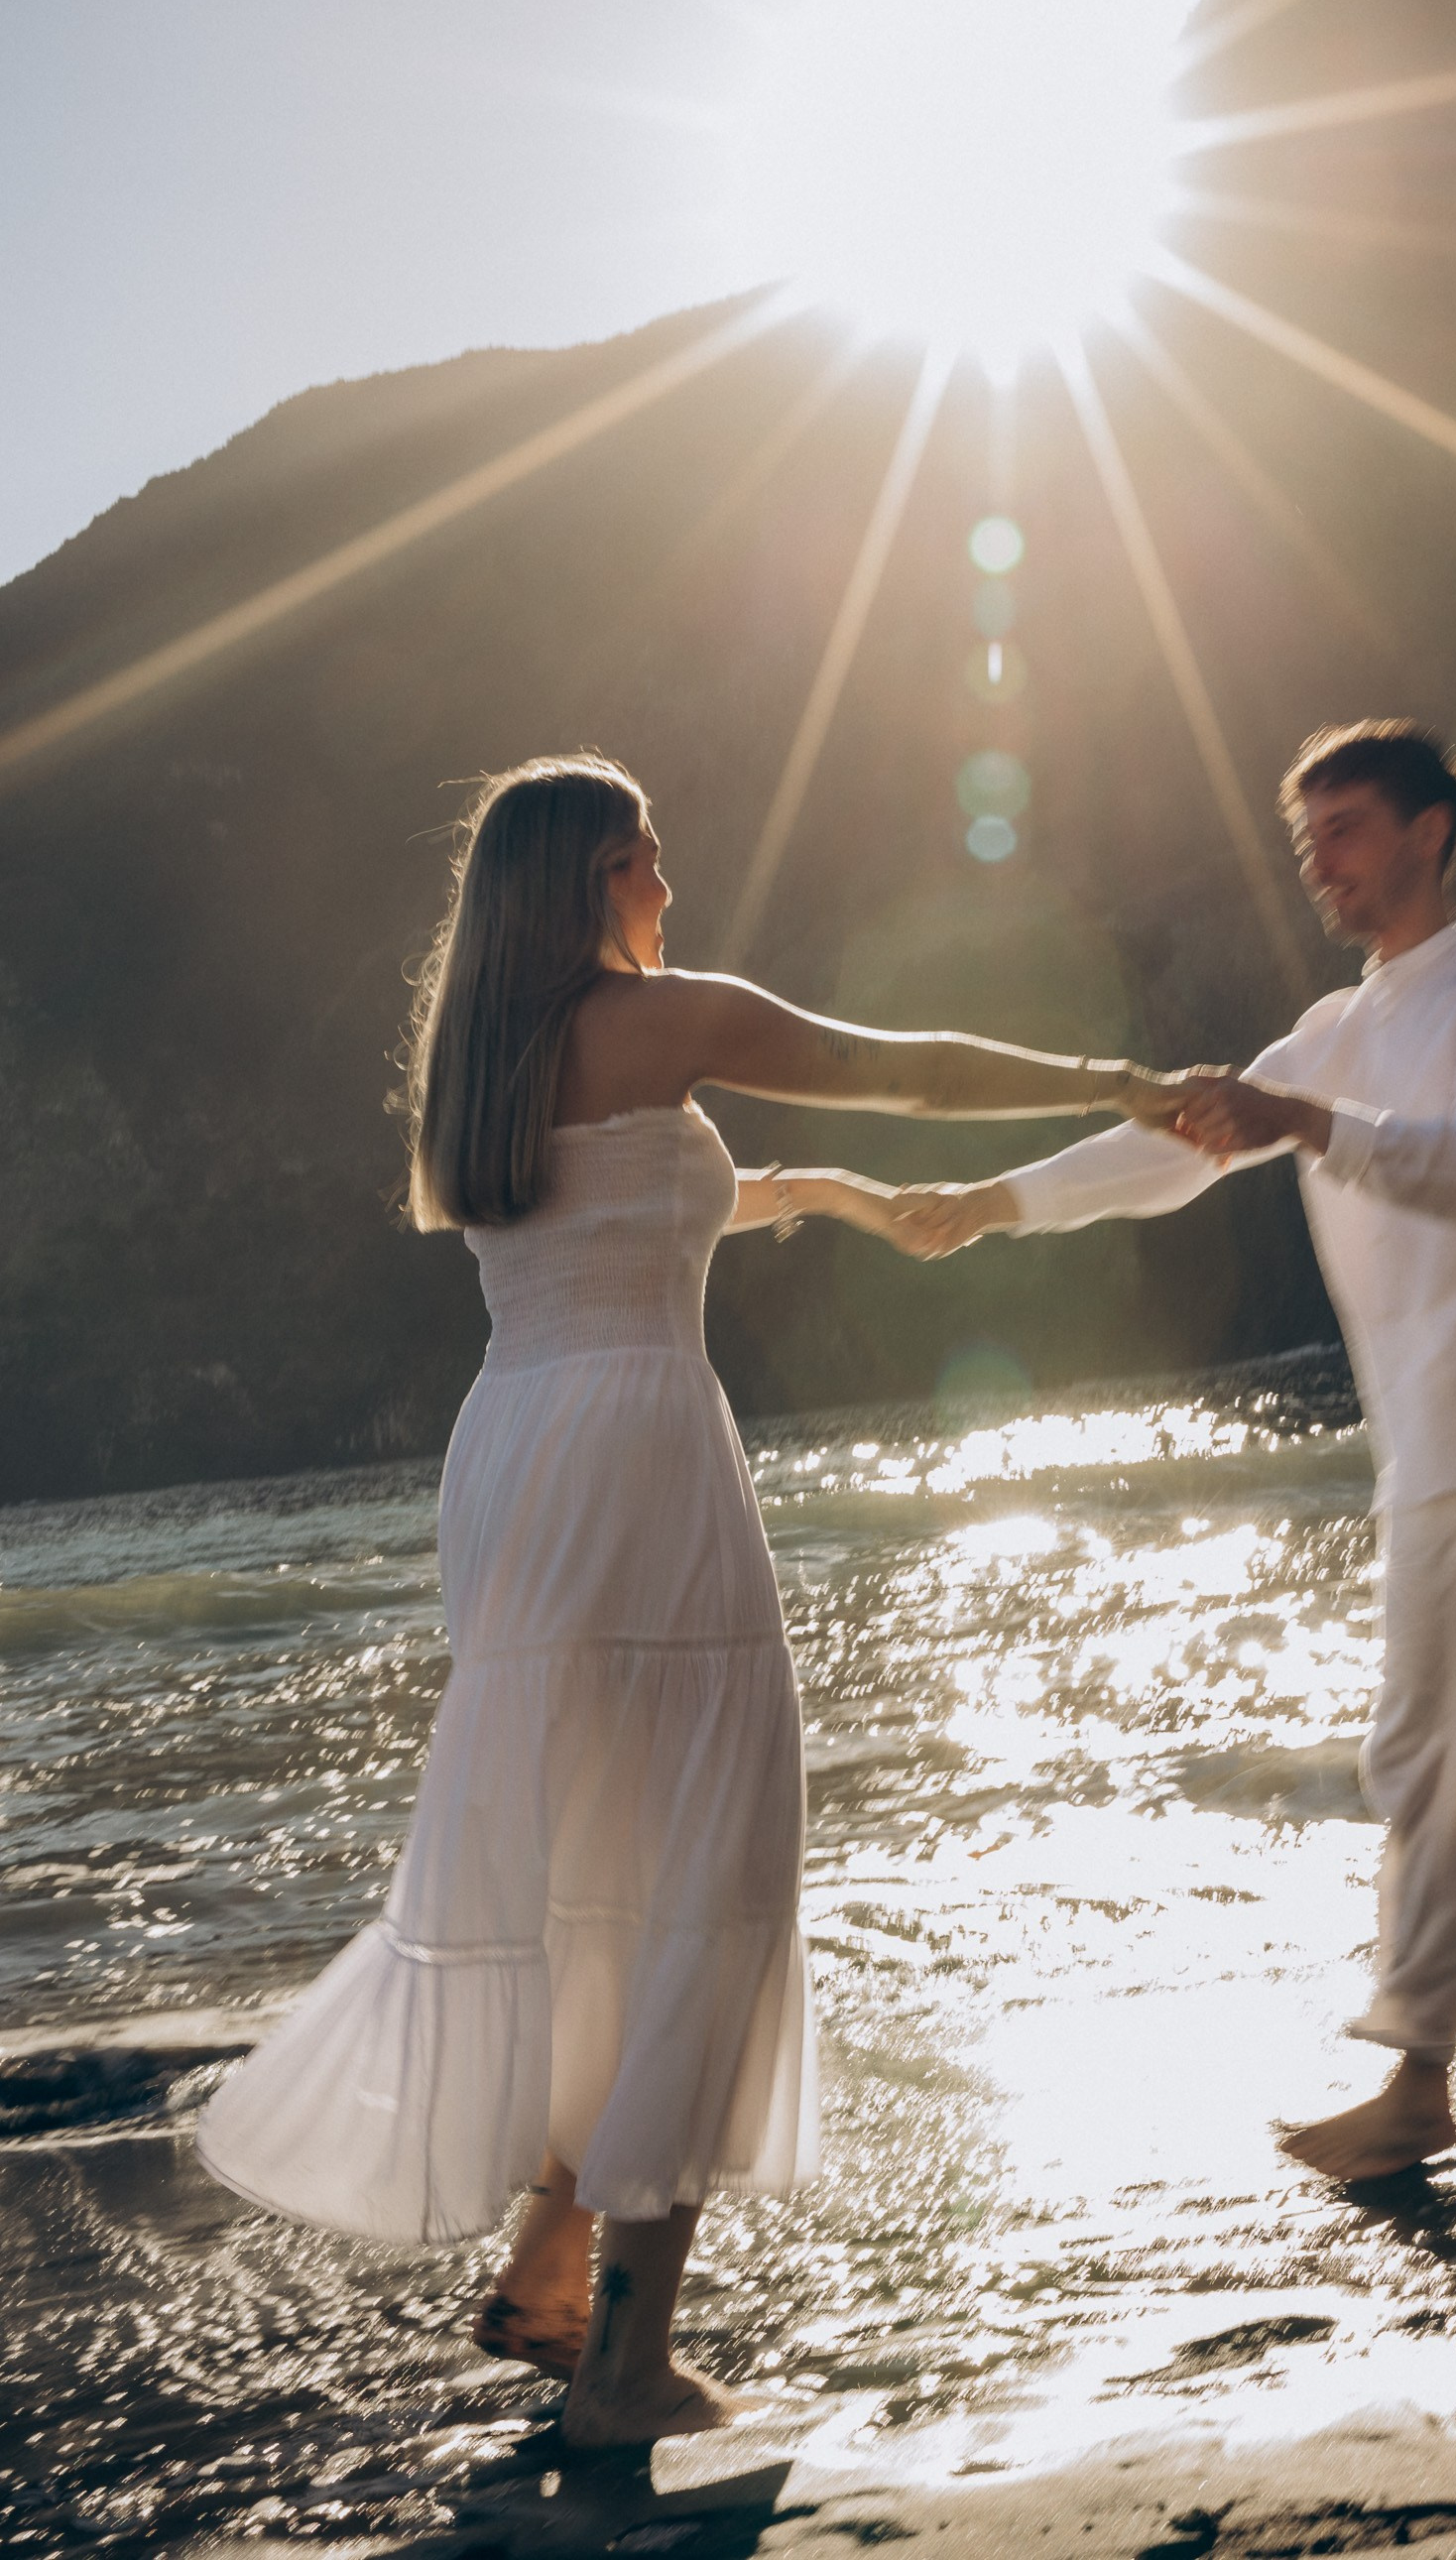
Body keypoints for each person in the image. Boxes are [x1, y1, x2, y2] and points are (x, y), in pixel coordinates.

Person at [196, 753, 1189, 2447]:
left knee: (598, 1868)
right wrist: (1124, 1081)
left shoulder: (487, 1057)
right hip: (640, 1445)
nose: (669, 884)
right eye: (647, 857)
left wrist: (830, 1201)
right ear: (592, 876)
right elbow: (904, 1071)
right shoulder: (662, 1019)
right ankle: (626, 2368)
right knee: (715, 1869)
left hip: (516, 1453)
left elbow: (628, 1212)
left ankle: (551, 2279)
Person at [893, 719, 1456, 2181]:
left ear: (1428, 832)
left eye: (1346, 831)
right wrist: (993, 1204)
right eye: (1307, 840)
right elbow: (1172, 1145)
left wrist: (1305, 1119)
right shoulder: (1331, 1031)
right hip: (1441, 1451)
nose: (1320, 863)